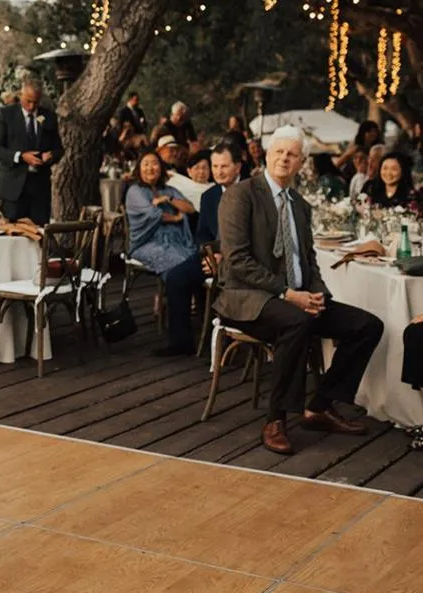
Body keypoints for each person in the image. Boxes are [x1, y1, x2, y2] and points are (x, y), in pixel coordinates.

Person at [215, 125, 383, 455]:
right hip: (246, 297)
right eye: (279, 151)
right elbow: (237, 261)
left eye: (292, 154)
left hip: (296, 297)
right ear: (266, 155)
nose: (285, 158)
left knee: (367, 326)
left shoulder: (300, 205)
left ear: (301, 161)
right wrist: (287, 293)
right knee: (297, 321)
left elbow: (308, 260)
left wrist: (319, 295)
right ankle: (275, 420)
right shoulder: (242, 195)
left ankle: (319, 406)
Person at [126, 150, 203, 355]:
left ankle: (198, 326)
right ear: (139, 169)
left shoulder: (169, 189)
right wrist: (175, 219)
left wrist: (168, 199)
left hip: (177, 241)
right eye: (146, 164)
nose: (151, 168)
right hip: (148, 243)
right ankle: (181, 337)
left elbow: (189, 209)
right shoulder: (135, 191)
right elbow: (152, 214)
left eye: (154, 164)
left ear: (161, 168)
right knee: (180, 269)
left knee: (194, 263)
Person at [0, 75, 62, 224]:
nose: (31, 106)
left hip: (39, 191)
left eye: (35, 102)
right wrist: (20, 156)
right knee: (10, 237)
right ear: (20, 95)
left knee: (39, 237)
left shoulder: (49, 116)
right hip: (12, 190)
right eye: (28, 101)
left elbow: (59, 149)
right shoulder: (6, 115)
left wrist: (52, 155)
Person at [196, 142, 241, 246]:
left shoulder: (253, 191)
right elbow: (203, 235)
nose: (219, 172)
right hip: (216, 255)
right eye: (215, 166)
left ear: (237, 167)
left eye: (224, 166)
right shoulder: (208, 196)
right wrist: (211, 254)